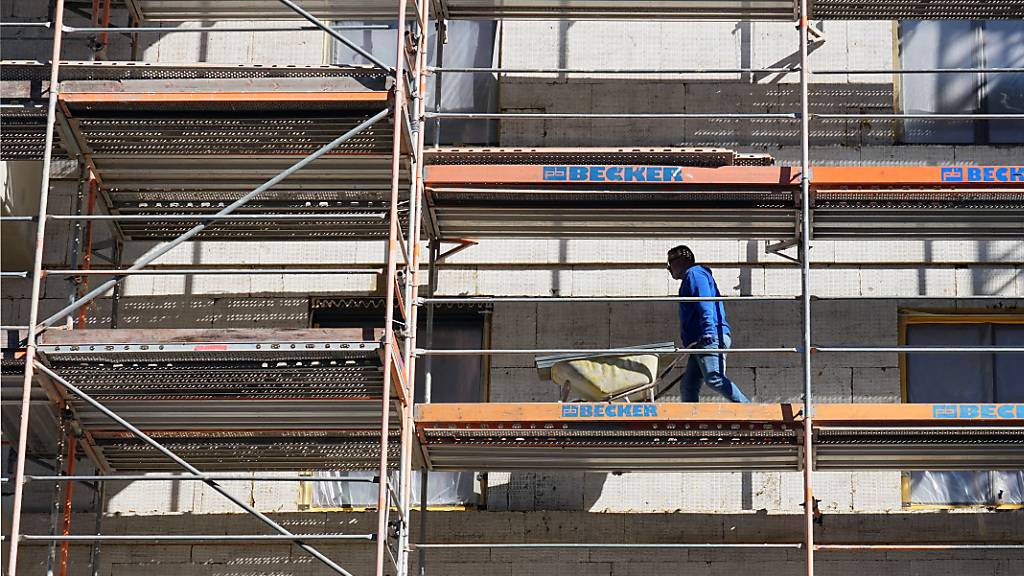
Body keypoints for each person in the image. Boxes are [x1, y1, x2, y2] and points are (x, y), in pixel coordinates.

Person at [667, 245, 750, 403]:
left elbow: (705, 302)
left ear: (682, 260)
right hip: (700, 341)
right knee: (688, 386)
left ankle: (750, 410)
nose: (669, 269)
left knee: (714, 378)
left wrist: (708, 330)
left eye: (669, 264)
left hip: (709, 338)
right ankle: (691, 423)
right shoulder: (692, 276)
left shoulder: (694, 274)